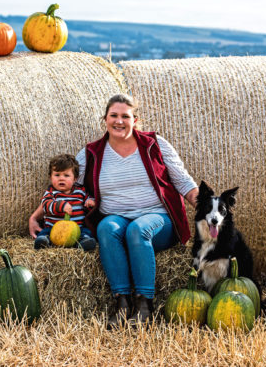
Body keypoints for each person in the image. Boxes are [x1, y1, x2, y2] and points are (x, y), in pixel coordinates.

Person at [29, 94, 198, 327]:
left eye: (125, 116)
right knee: (106, 227)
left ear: (135, 120)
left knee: (138, 230)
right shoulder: (92, 153)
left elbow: (184, 183)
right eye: (114, 116)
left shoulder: (154, 144)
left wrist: (210, 211)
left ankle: (144, 305)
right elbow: (67, 187)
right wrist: (35, 216)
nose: (119, 121)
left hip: (157, 219)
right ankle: (122, 303)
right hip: (116, 217)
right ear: (105, 120)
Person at [34, 154, 98, 251]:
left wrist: (90, 202)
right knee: (44, 232)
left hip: (76, 229)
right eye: (57, 175)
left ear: (75, 178)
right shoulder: (51, 192)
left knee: (86, 232)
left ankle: (83, 244)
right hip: (53, 229)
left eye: (66, 175)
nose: (61, 178)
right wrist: (60, 205)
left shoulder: (80, 191)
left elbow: (88, 202)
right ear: (51, 178)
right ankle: (43, 242)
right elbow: (46, 204)